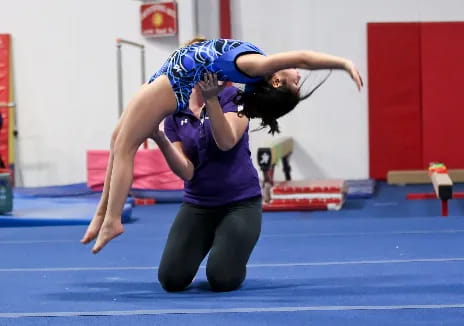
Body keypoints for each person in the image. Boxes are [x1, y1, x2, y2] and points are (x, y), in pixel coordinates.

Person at [80, 38, 363, 254]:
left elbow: (303, 57)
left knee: (126, 147)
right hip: (169, 71)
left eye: (295, 82)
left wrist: (343, 64)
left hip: (175, 83)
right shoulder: (254, 78)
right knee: (116, 139)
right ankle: (102, 213)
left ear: (276, 79)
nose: (299, 75)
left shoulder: (257, 67)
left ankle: (113, 219)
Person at [152, 79, 261, 292]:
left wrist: (211, 100)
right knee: (171, 278)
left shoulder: (236, 98)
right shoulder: (176, 114)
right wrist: (159, 138)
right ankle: (211, 236)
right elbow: (187, 171)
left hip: (239, 204)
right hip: (198, 205)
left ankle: (230, 243)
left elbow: (227, 141)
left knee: (222, 279)